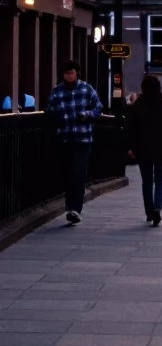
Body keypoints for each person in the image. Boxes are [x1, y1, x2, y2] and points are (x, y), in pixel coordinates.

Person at [45, 60, 102, 225]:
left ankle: (75, 208)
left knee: (78, 172)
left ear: (77, 73)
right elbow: (49, 110)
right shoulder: (56, 92)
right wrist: (56, 118)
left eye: (71, 73)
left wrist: (86, 115)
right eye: (66, 74)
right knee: (67, 174)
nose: (69, 76)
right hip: (64, 138)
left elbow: (98, 109)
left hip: (82, 138)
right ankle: (70, 207)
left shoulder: (86, 89)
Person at [126, 75, 162, 226]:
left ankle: (149, 211)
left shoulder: (137, 105)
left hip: (143, 148)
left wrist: (131, 147)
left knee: (147, 181)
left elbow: (130, 128)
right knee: (160, 180)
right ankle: (157, 207)